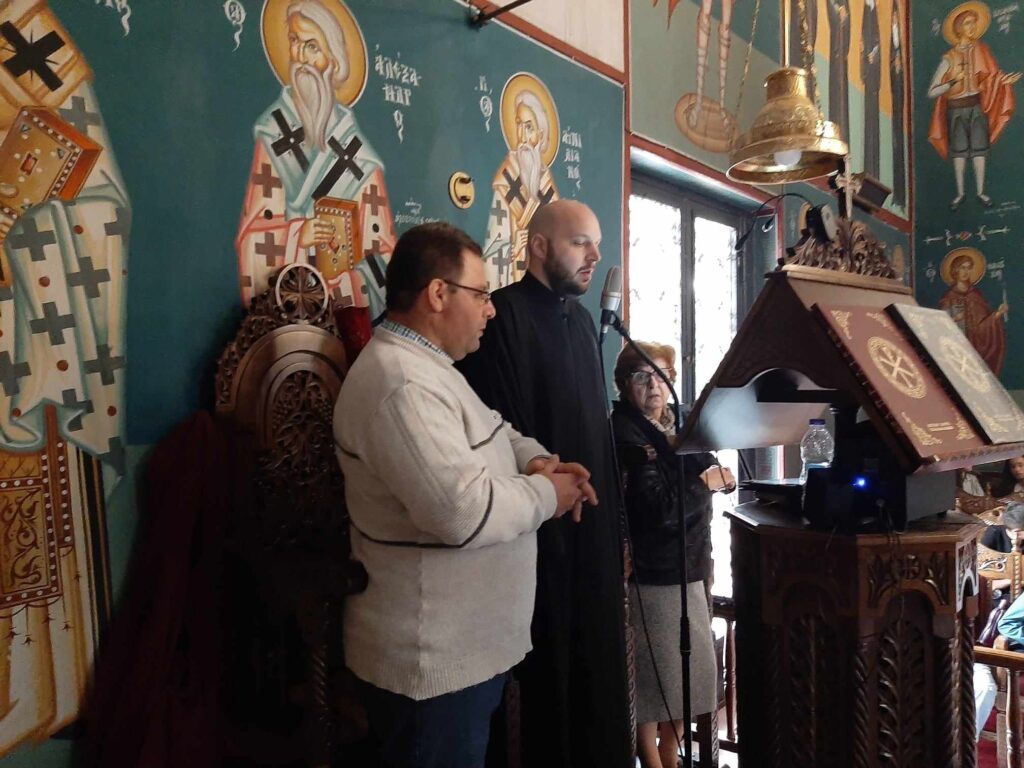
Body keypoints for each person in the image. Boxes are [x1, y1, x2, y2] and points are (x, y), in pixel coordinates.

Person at [333, 222, 596, 768]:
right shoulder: (401, 383)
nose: (490, 310)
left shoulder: (431, 368)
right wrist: (548, 493)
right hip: (429, 665)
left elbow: (497, 431)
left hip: (462, 655)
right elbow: (462, 511)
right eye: (480, 294)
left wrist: (536, 460)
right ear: (437, 293)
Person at [457, 199, 633, 768]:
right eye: (581, 242)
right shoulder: (502, 317)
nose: (595, 255)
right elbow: (500, 430)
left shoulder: (581, 323)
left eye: (596, 243)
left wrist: (616, 530)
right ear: (538, 246)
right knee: (548, 688)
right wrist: (549, 490)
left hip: (592, 534)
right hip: (538, 537)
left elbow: (596, 433)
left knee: (596, 674)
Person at [611, 342, 734, 768]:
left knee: (693, 676)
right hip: (652, 573)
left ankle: (670, 749)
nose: (654, 385)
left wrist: (720, 477)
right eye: (641, 376)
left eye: (661, 375)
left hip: (691, 566)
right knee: (652, 680)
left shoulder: (676, 425)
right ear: (624, 384)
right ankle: (652, 758)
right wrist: (705, 484)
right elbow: (659, 511)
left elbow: (710, 470)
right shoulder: (625, 432)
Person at [238, 0, 396, 317]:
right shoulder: (273, 134)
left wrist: (343, 281)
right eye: (294, 41)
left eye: (312, 47)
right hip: (280, 320)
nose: (300, 57)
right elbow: (253, 236)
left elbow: (383, 252)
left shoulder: (361, 159)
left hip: (338, 321)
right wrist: (299, 236)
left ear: (333, 62)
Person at [927, 4, 1020, 209]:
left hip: (976, 107)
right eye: (968, 23)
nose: (972, 27)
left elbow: (991, 78)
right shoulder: (949, 58)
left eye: (974, 23)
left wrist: (1004, 81)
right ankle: (960, 194)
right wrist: (953, 81)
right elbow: (932, 91)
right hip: (956, 109)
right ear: (959, 28)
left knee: (979, 150)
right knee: (959, 152)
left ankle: (980, 192)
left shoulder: (982, 51)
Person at [483, 76, 560, 289]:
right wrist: (514, 245)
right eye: (518, 125)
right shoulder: (507, 179)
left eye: (529, 127)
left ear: (540, 135)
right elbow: (491, 248)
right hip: (507, 286)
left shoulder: (548, 190)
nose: (522, 136)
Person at [938, 249, 1006, 375]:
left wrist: (997, 315)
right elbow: (939, 327)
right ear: (955, 270)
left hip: (975, 351)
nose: (965, 272)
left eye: (969, 268)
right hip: (956, 351)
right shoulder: (948, 298)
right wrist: (955, 319)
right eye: (962, 268)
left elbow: (982, 326)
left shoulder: (976, 296)